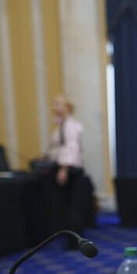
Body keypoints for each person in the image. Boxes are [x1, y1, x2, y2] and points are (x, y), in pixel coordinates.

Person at [44, 94, 87, 245]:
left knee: (71, 206)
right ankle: (72, 238)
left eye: (58, 103)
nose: (54, 106)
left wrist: (63, 169)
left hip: (70, 170)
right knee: (68, 206)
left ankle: (74, 240)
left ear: (67, 107)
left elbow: (71, 148)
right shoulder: (62, 125)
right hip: (67, 168)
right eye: (53, 103)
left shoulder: (70, 126)